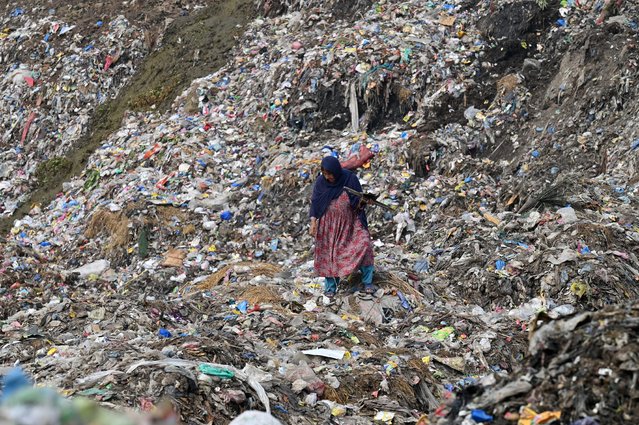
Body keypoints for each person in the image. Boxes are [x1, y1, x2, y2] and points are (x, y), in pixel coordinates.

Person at [309, 156, 375, 298]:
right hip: (328, 226)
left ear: (337, 171)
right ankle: (331, 287)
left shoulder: (349, 179)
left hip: (349, 224)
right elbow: (315, 203)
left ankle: (367, 282)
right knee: (330, 254)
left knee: (364, 244)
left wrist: (364, 201)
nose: (328, 177)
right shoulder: (321, 182)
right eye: (325, 174)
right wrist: (313, 222)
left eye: (330, 174)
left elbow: (358, 203)